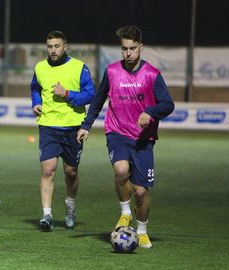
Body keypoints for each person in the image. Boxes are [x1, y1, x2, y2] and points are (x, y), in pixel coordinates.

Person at [77, 25, 174, 248]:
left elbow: (168, 104)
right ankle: (124, 212)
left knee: (140, 191)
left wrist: (149, 112)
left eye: (132, 48)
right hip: (117, 132)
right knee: (121, 170)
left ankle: (141, 230)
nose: (128, 53)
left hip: (143, 140)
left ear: (141, 47)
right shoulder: (111, 71)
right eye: (124, 49)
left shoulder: (152, 75)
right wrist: (86, 126)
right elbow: (98, 100)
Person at [31, 31, 95, 231]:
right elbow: (34, 87)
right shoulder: (40, 67)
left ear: (65, 46)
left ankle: (70, 206)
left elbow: (90, 94)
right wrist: (36, 102)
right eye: (49, 46)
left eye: (57, 46)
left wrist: (67, 94)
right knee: (48, 170)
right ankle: (47, 215)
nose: (53, 50)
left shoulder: (79, 68)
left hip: (72, 127)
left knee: (71, 171)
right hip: (48, 125)